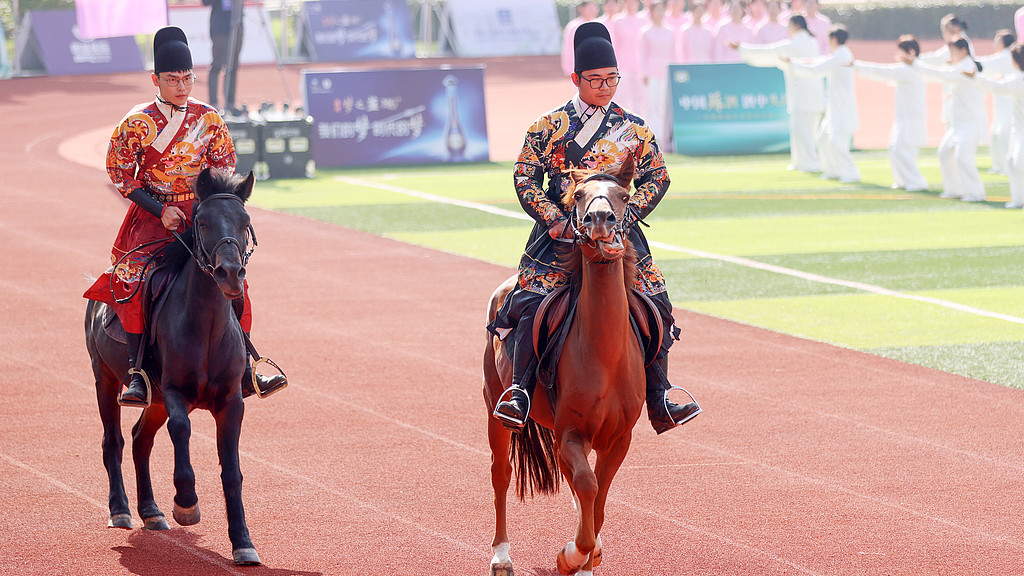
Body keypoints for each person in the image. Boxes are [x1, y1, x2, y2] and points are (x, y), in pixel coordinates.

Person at [488, 21, 701, 434]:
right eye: (596, 80)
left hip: (621, 234)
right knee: (531, 300)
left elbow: (658, 176)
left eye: (612, 79)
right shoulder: (547, 126)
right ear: (576, 78)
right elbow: (524, 177)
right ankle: (519, 391)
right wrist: (553, 219)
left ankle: (659, 395)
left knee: (657, 299)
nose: (605, 87)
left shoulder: (634, 128)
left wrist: (628, 213)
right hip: (560, 236)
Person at [83, 26, 282, 407]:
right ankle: (138, 372)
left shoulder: (209, 119)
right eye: (173, 79)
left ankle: (245, 368)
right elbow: (120, 173)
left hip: (200, 216)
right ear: (156, 79)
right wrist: (161, 209)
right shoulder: (136, 122)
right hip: (151, 215)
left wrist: (208, 209)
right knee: (134, 280)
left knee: (233, 276)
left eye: (187, 78)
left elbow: (223, 170)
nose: (182, 86)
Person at [734, 15, 824, 172]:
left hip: (804, 95)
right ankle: (800, 162)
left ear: (796, 26)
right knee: (801, 130)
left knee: (804, 132)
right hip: (808, 94)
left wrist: (742, 48)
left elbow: (769, 51)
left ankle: (810, 163)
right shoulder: (810, 42)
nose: (787, 29)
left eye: (789, 25)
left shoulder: (796, 44)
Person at [911, 38, 986, 202]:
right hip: (958, 124)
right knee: (944, 153)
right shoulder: (959, 66)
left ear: (964, 50)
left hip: (971, 123)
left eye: (953, 51)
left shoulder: (967, 67)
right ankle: (954, 190)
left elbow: (942, 75)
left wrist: (916, 64)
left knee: (963, 158)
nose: (951, 55)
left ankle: (976, 193)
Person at [853, 35, 929, 192]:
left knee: (902, 151)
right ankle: (902, 181)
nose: (897, 55)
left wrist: (857, 65)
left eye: (900, 51)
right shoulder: (910, 69)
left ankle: (917, 182)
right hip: (903, 118)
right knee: (895, 149)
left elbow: (882, 72)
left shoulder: (908, 70)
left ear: (911, 52)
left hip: (910, 119)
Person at [788, 24, 859, 183]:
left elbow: (817, 70)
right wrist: (804, 61)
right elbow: (824, 60)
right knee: (823, 139)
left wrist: (795, 64)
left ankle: (851, 172)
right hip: (835, 109)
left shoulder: (841, 56)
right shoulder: (840, 54)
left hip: (842, 109)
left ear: (834, 39)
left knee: (837, 144)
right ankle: (832, 170)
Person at [973, 44, 1024, 208]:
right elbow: (1001, 85)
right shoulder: (1018, 78)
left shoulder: (1019, 79)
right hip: (1018, 130)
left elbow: (999, 87)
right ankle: (1018, 200)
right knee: (1012, 163)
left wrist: (975, 77)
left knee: (1018, 163)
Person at [975, 30, 1016, 174]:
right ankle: (999, 165)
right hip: (1000, 101)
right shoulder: (1005, 56)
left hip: (1009, 100)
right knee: (995, 133)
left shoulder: (1007, 55)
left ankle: (1007, 166)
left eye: (997, 41)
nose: (994, 43)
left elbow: (987, 64)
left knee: (1004, 133)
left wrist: (970, 61)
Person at [640, 1, 675, 145]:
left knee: (663, 104)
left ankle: (663, 135)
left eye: (662, 10)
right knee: (652, 104)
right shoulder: (646, 32)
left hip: (666, 71)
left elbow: (674, 52)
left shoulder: (670, 31)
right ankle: (652, 135)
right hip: (652, 71)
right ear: (651, 13)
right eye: (657, 10)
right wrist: (645, 73)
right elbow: (642, 54)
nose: (659, 13)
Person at [203, 0, 243, 114]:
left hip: (237, 28)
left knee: (233, 66)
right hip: (220, 29)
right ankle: (213, 104)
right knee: (217, 66)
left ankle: (230, 103)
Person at [611, 0, 647, 114]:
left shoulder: (643, 21)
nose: (631, 5)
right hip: (623, 63)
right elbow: (615, 44)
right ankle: (623, 123)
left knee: (640, 97)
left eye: (634, 2)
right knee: (622, 96)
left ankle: (638, 125)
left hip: (639, 64)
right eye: (628, 2)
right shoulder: (618, 20)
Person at [563, 2, 601, 76]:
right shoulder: (573, 26)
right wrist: (568, 68)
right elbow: (568, 48)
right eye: (590, 8)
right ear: (581, 9)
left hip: (597, 66)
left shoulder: (599, 25)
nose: (593, 11)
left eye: (595, 8)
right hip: (579, 68)